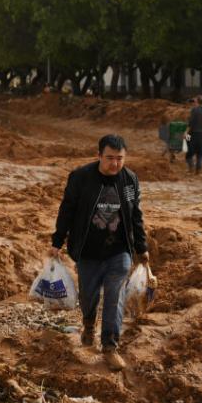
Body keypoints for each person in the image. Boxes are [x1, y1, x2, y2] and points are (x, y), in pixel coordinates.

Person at [50, 134, 149, 372]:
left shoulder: (129, 181)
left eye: (120, 158)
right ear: (99, 156)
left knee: (115, 296)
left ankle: (110, 346)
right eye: (110, 158)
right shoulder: (81, 178)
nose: (115, 164)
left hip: (119, 251)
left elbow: (136, 215)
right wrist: (57, 240)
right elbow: (67, 210)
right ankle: (88, 323)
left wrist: (141, 247)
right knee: (89, 296)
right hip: (88, 250)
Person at [185, 96, 202, 174]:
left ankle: (191, 168)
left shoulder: (194, 110)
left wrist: (185, 133)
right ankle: (198, 170)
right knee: (200, 153)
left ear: (197, 101)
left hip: (192, 134)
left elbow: (191, 123)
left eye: (194, 100)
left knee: (189, 152)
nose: (193, 102)